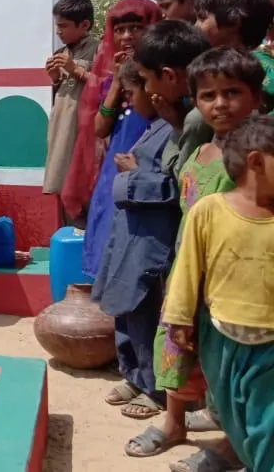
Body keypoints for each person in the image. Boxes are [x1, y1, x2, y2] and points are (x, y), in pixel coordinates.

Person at [126, 47, 265, 472]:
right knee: (176, 349)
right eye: (207, 96)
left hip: (233, 276)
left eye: (232, 93)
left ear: (256, 97)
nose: (220, 104)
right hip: (188, 269)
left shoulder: (260, 159)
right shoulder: (202, 149)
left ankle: (231, 444)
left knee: (230, 365)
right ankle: (173, 424)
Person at [168, 114, 274, 472]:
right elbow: (187, 269)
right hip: (219, 338)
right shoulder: (209, 211)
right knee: (233, 417)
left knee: (267, 424)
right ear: (257, 162)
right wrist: (179, 319)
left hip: (271, 345)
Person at [92, 60, 179, 420]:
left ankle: (154, 386)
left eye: (131, 93)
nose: (128, 101)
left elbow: (175, 187)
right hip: (131, 232)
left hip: (152, 238)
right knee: (125, 304)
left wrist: (133, 174)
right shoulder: (152, 127)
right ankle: (132, 374)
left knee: (145, 307)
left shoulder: (174, 132)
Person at [63, 0, 162, 281]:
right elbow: (100, 128)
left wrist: (137, 76)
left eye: (136, 28)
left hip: (148, 159)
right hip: (114, 162)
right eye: (120, 30)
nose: (127, 36)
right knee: (109, 223)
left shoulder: (163, 75)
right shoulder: (111, 77)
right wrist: (118, 81)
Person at [43, 0, 100, 227]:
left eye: (64, 26)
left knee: (85, 186)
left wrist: (75, 68)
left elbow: (107, 87)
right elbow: (60, 97)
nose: (59, 32)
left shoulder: (100, 49)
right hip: (62, 131)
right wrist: (55, 79)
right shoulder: (61, 53)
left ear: (84, 25)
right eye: (58, 26)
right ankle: (69, 239)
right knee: (63, 184)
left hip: (85, 132)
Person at [136, 20, 215, 179]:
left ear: (169, 76)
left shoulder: (198, 117)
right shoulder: (190, 103)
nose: (147, 89)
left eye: (146, 80)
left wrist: (177, 126)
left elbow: (180, 175)